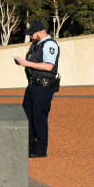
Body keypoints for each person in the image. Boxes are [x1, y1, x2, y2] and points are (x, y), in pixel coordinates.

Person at [13, 20, 60, 158]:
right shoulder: (35, 46)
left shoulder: (50, 45)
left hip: (44, 87)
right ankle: (28, 148)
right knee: (26, 117)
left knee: (39, 118)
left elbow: (48, 66)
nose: (30, 37)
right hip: (32, 85)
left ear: (39, 32)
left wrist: (26, 63)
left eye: (31, 35)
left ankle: (40, 150)